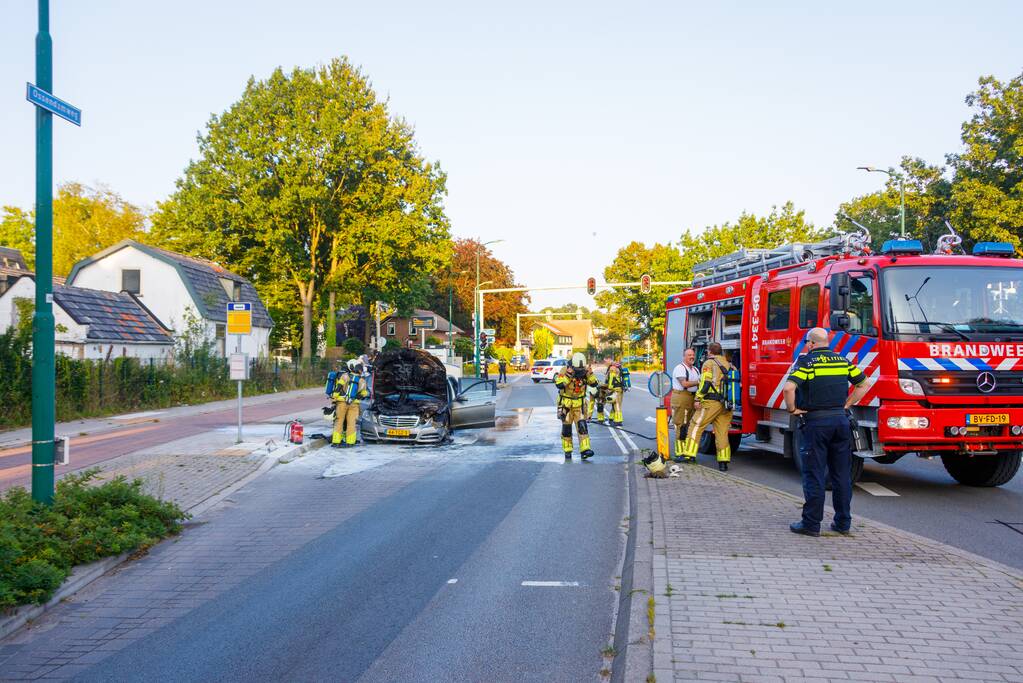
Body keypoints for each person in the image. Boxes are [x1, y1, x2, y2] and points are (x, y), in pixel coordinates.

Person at [783, 327, 870, 537]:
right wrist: (847, 405)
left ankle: (811, 524)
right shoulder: (842, 361)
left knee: (814, 474)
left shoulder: (807, 362)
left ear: (811, 343)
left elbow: (788, 388)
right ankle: (843, 523)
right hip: (840, 422)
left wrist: (793, 410)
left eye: (807, 343)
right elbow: (864, 384)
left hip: (816, 424)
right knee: (841, 476)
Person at [680, 342, 734, 471]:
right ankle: (723, 462)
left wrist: (698, 398)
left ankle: (689, 455)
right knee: (722, 433)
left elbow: (705, 383)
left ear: (710, 351)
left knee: (695, 425)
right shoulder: (729, 364)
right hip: (726, 405)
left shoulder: (709, 363)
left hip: (711, 402)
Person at [554, 352, 598, 460]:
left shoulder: (585, 371)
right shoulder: (564, 370)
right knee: (567, 429)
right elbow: (559, 384)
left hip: (580, 404)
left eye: (581, 370)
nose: (579, 372)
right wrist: (568, 376)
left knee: (582, 427)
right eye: (577, 370)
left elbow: (594, 383)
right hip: (566, 405)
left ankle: (585, 449)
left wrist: (590, 374)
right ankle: (568, 450)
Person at [331, 359, 369, 447]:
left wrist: (334, 400)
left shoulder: (344, 376)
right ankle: (350, 442)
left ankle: (336, 441)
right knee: (351, 423)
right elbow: (364, 393)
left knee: (339, 421)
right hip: (354, 405)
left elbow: (338, 388)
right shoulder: (362, 380)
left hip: (341, 403)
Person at [670, 348, 699, 462]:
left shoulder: (695, 369)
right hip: (681, 397)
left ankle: (687, 453)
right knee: (680, 425)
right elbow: (684, 383)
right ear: (684, 357)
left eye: (693, 355)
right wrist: (699, 381)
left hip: (692, 397)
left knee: (689, 426)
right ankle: (679, 453)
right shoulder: (680, 368)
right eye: (689, 355)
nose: (691, 357)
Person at [606, 360, 626, 426]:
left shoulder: (612, 369)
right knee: (616, 405)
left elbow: (611, 379)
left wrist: (609, 388)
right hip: (620, 389)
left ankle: (618, 420)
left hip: (615, 389)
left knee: (616, 405)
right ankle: (612, 418)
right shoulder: (619, 368)